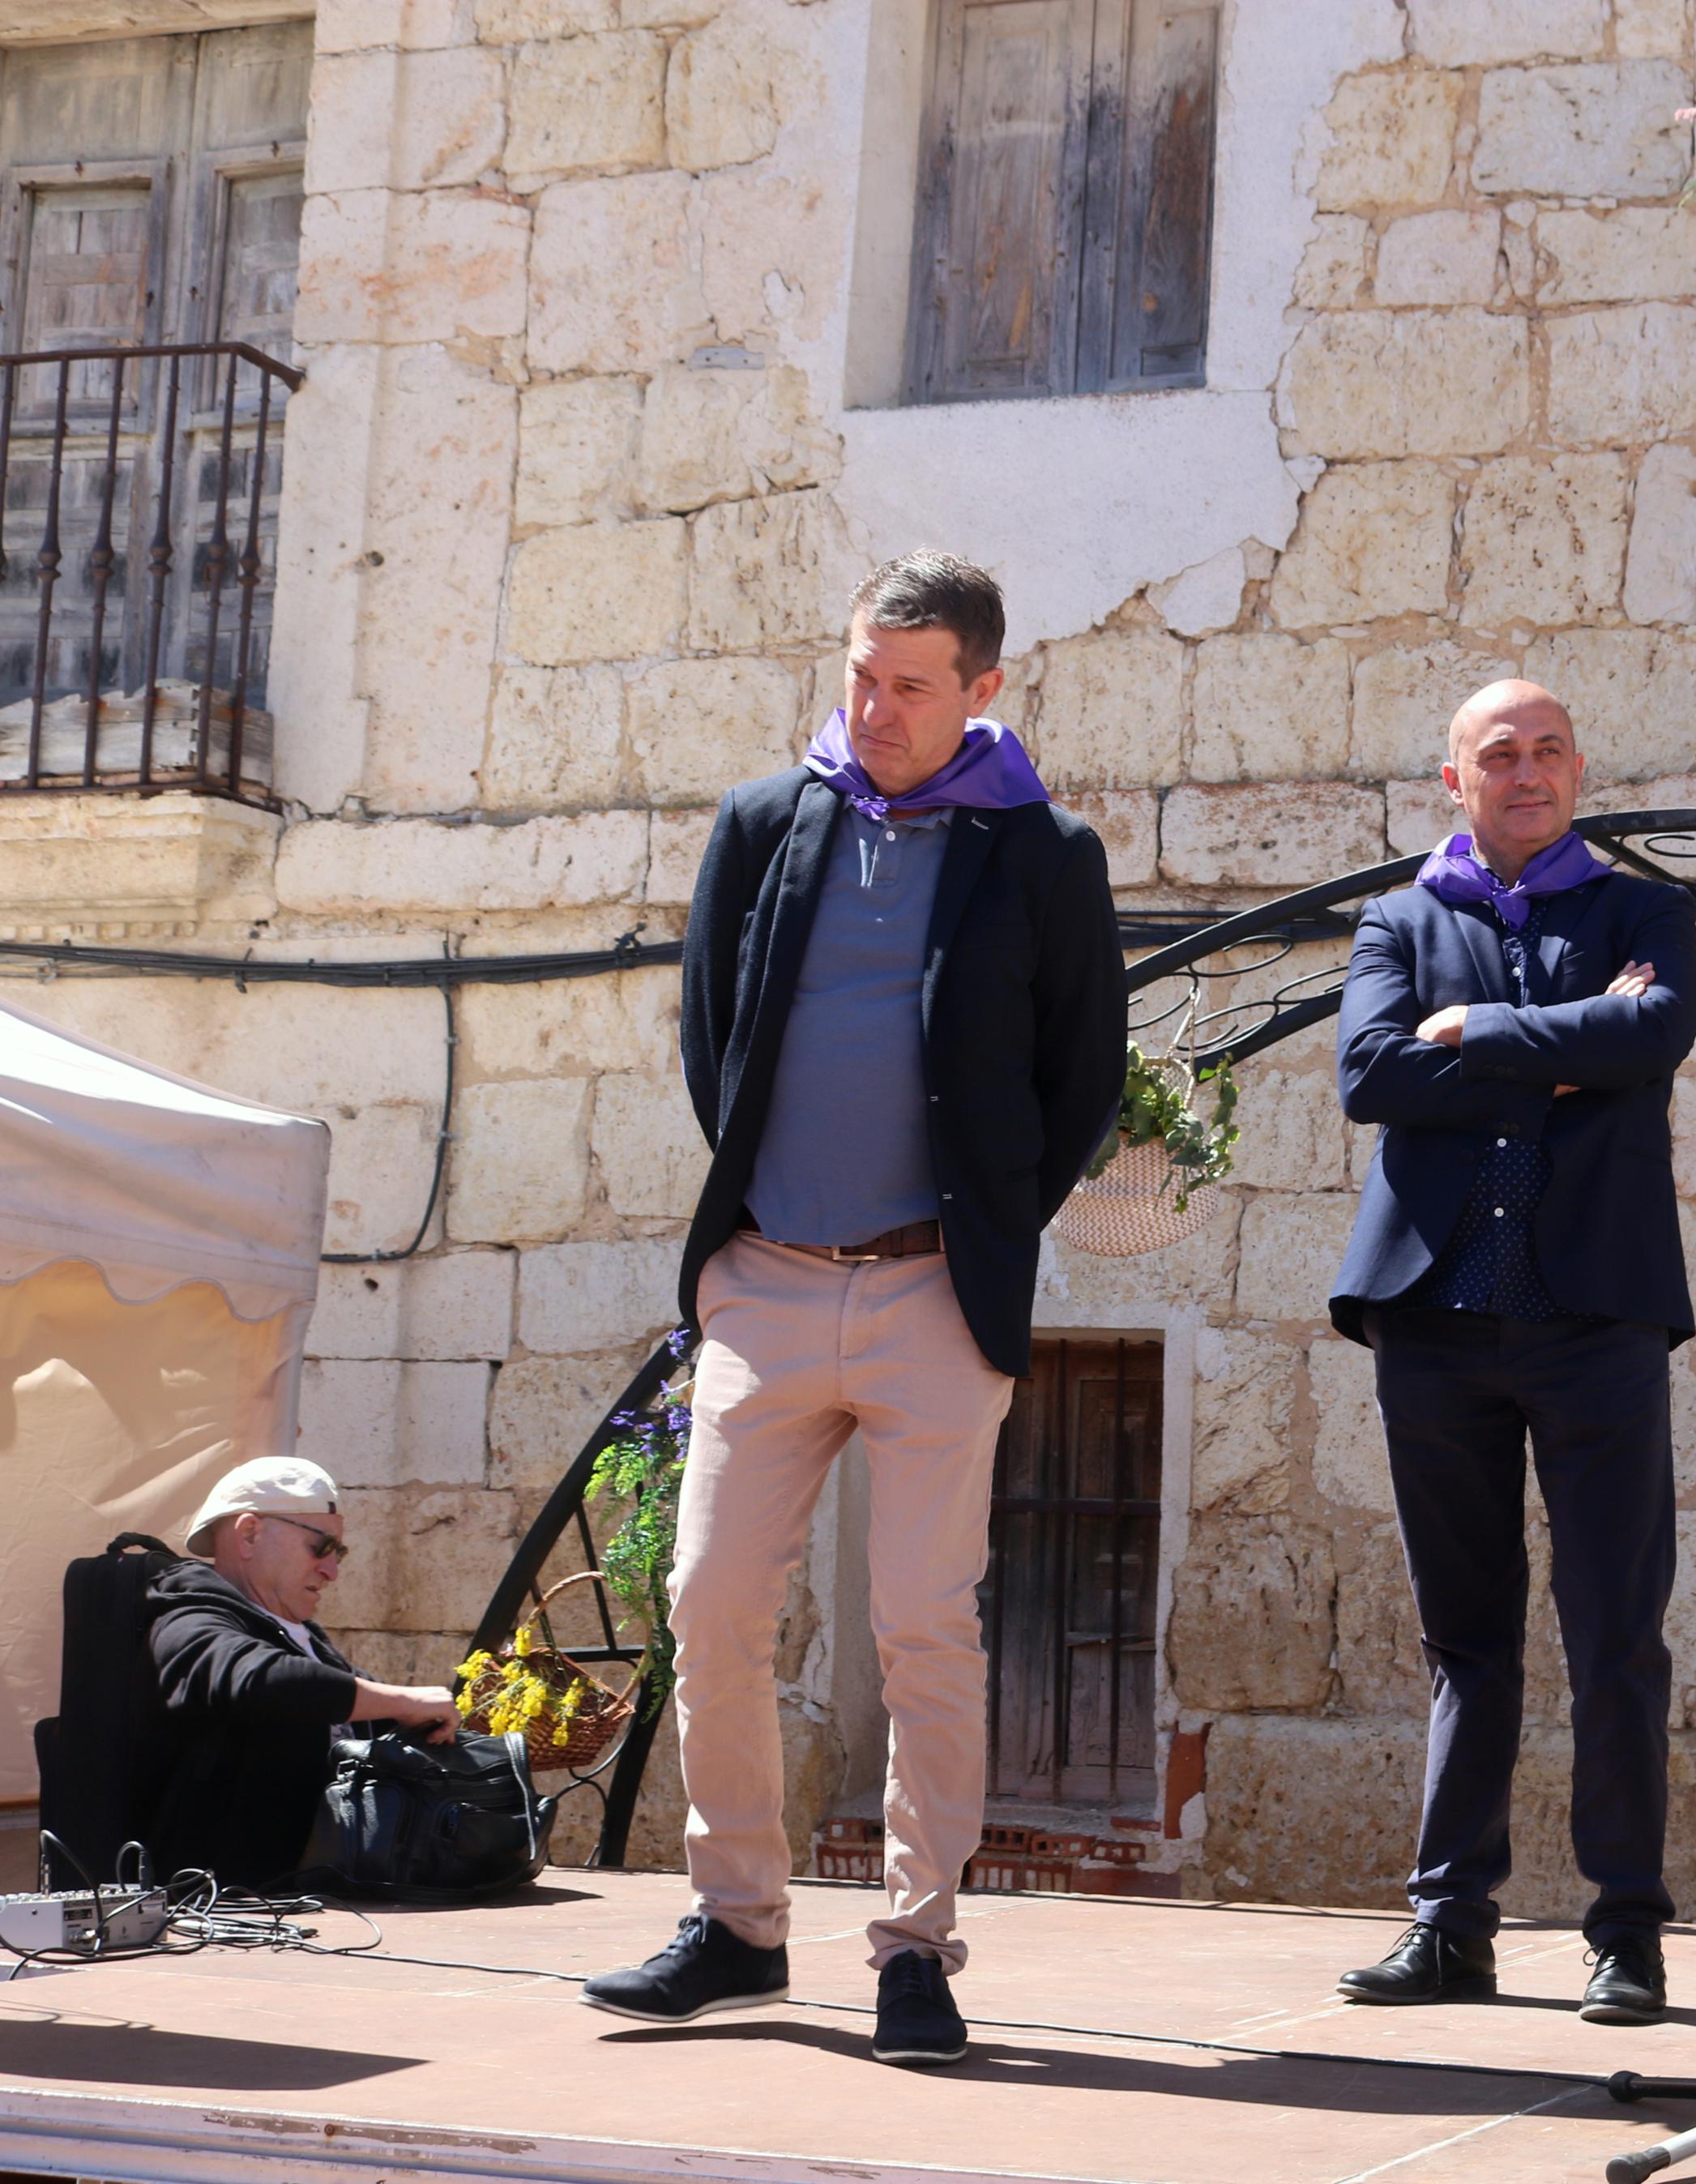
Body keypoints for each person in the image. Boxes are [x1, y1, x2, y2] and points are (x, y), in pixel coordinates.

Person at [585, 553, 1126, 2067]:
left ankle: (914, 1945)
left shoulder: (1042, 853)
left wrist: (979, 1227)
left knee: (921, 1628)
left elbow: (1082, 1077)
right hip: (766, 1280)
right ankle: (738, 1924)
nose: (872, 709)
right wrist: (756, 1230)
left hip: (932, 1295)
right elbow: (715, 1035)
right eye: (858, 676)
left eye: (908, 685)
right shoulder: (768, 823)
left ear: (982, 690)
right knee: (709, 1598)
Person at [1326, 680, 1696, 2023]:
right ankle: (1448, 1926)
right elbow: (1369, 1073)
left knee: (1615, 1635)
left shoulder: (1641, 912)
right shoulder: (1398, 919)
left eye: (1550, 749)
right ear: (1455, 780)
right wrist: (1565, 1051)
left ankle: (1626, 1930)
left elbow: (1652, 1031)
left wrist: (1477, 1033)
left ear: (1577, 767)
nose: (1527, 771)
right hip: (1432, 1324)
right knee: (1463, 1641)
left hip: (1593, 1320)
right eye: (1501, 754)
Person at [145, 1457, 459, 1887]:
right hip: (236, 1909)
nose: (332, 1571)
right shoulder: (189, 1617)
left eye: (339, 1553)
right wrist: (402, 1701)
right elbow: (261, 1680)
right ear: (250, 1535)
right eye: (321, 1548)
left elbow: (345, 1698)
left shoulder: (300, 1638)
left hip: (318, 1900)